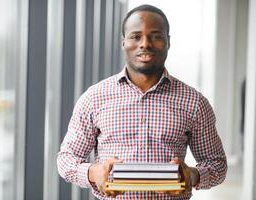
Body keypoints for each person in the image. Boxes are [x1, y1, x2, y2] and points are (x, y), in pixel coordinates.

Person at [57, 4, 227, 200]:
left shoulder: (194, 102)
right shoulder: (94, 98)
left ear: (168, 42)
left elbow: (217, 165)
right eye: (136, 36)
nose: (145, 44)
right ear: (123, 43)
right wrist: (93, 172)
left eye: (155, 36)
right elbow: (66, 159)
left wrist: (193, 175)